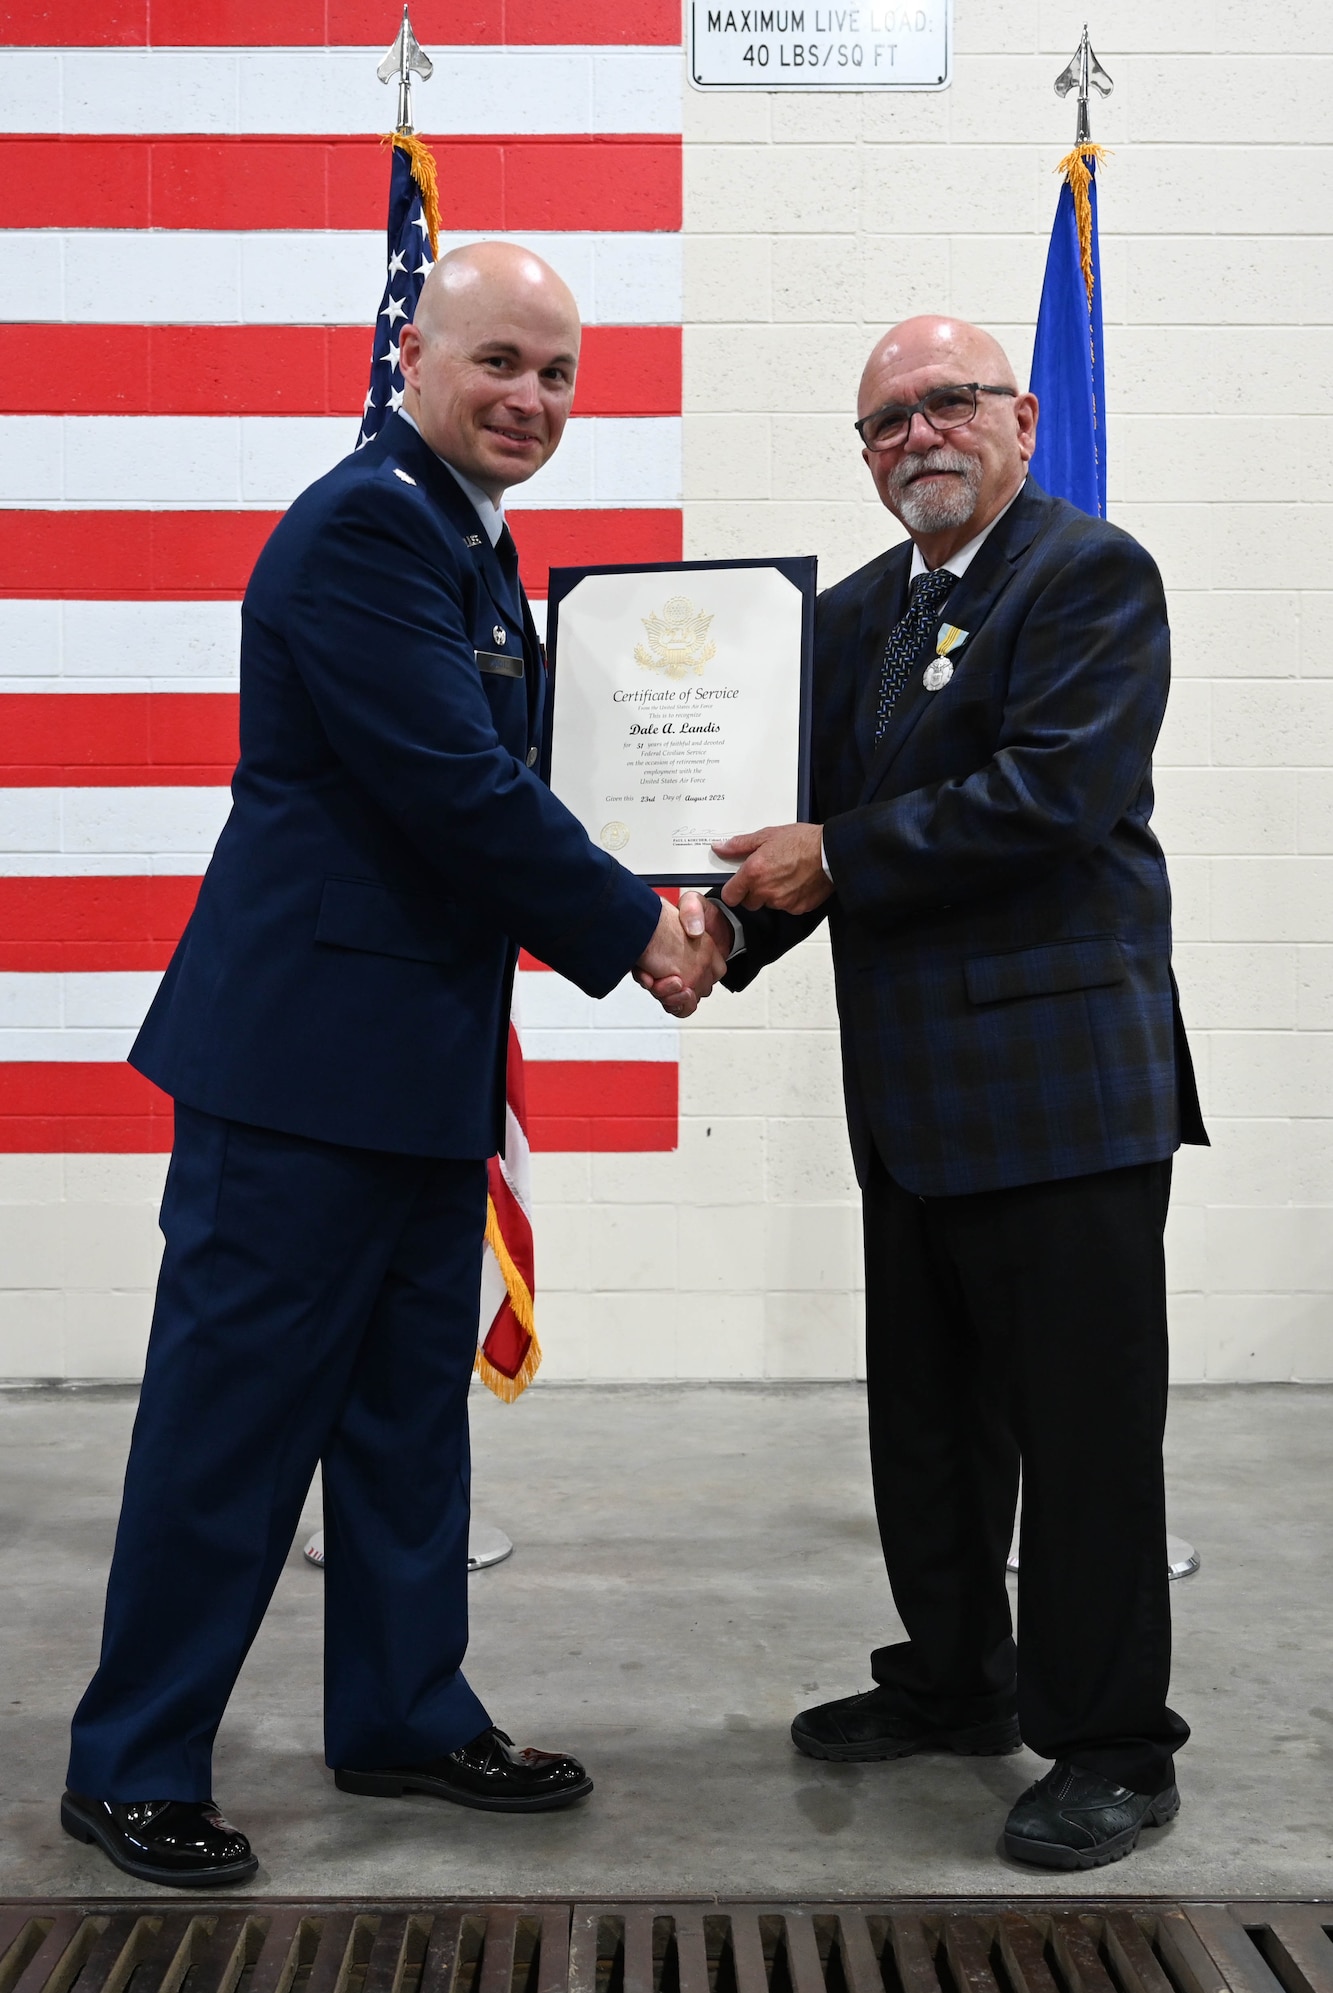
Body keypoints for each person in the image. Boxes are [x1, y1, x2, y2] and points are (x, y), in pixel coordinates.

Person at [62, 241, 724, 1890]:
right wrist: (637, 927)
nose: (530, 399)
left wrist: (694, 857)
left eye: (560, 374)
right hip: (300, 1067)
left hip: (414, 1059)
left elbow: (527, 769)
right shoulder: (370, 525)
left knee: (407, 1424)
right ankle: (133, 1760)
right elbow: (452, 784)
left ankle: (404, 1715)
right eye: (499, 360)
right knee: (231, 1429)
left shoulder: (470, 544)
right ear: (412, 351)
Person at [648, 314, 1207, 1871]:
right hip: (910, 1095)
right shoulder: (853, 619)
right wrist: (707, 930)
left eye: (944, 404)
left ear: (1020, 418)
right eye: (884, 421)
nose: (915, 437)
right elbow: (802, 825)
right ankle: (957, 1680)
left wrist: (825, 856)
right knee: (930, 1424)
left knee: (1084, 1436)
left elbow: (1050, 796)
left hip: (1060, 1092)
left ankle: (1112, 1744)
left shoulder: (1087, 573)